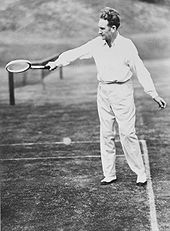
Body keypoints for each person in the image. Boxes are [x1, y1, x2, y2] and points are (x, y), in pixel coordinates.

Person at [46, 7, 166, 186]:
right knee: (106, 133)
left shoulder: (127, 46)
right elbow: (76, 52)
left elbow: (140, 70)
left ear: (114, 28)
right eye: (99, 27)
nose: (99, 31)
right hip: (103, 92)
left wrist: (153, 93)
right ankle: (109, 174)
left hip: (122, 92)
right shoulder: (96, 43)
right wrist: (57, 63)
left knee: (127, 134)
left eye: (102, 28)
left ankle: (140, 173)